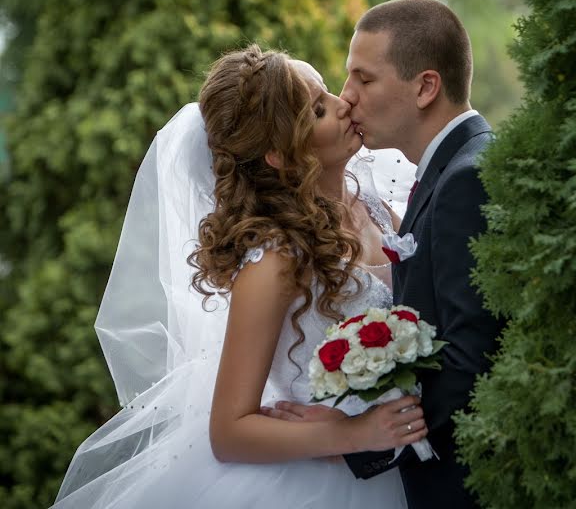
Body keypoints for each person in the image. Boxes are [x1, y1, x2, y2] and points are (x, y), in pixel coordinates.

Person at [53, 44, 426, 508]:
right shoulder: (277, 262)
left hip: (410, 451)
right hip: (334, 478)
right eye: (318, 109)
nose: (343, 103)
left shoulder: (370, 197)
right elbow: (229, 432)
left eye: (328, 92)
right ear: (280, 155)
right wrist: (353, 434)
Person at [271, 0, 503, 508]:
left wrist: (357, 441)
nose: (347, 98)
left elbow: (471, 362)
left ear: (425, 87)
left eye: (364, 78)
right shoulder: (449, 170)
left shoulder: (465, 180)